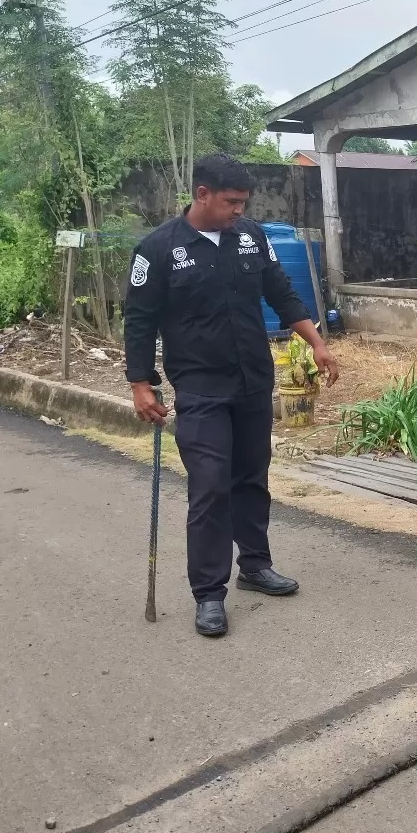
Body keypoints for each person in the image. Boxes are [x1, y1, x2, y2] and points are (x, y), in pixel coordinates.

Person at [124, 153, 340, 638]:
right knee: (210, 486)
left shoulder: (251, 237)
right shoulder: (158, 249)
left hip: (252, 382)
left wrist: (317, 343)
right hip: (200, 387)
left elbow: (280, 292)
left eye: (244, 202)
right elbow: (138, 319)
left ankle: (256, 566)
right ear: (202, 195)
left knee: (251, 478)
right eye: (231, 202)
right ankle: (209, 593)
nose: (239, 210)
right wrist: (140, 384)